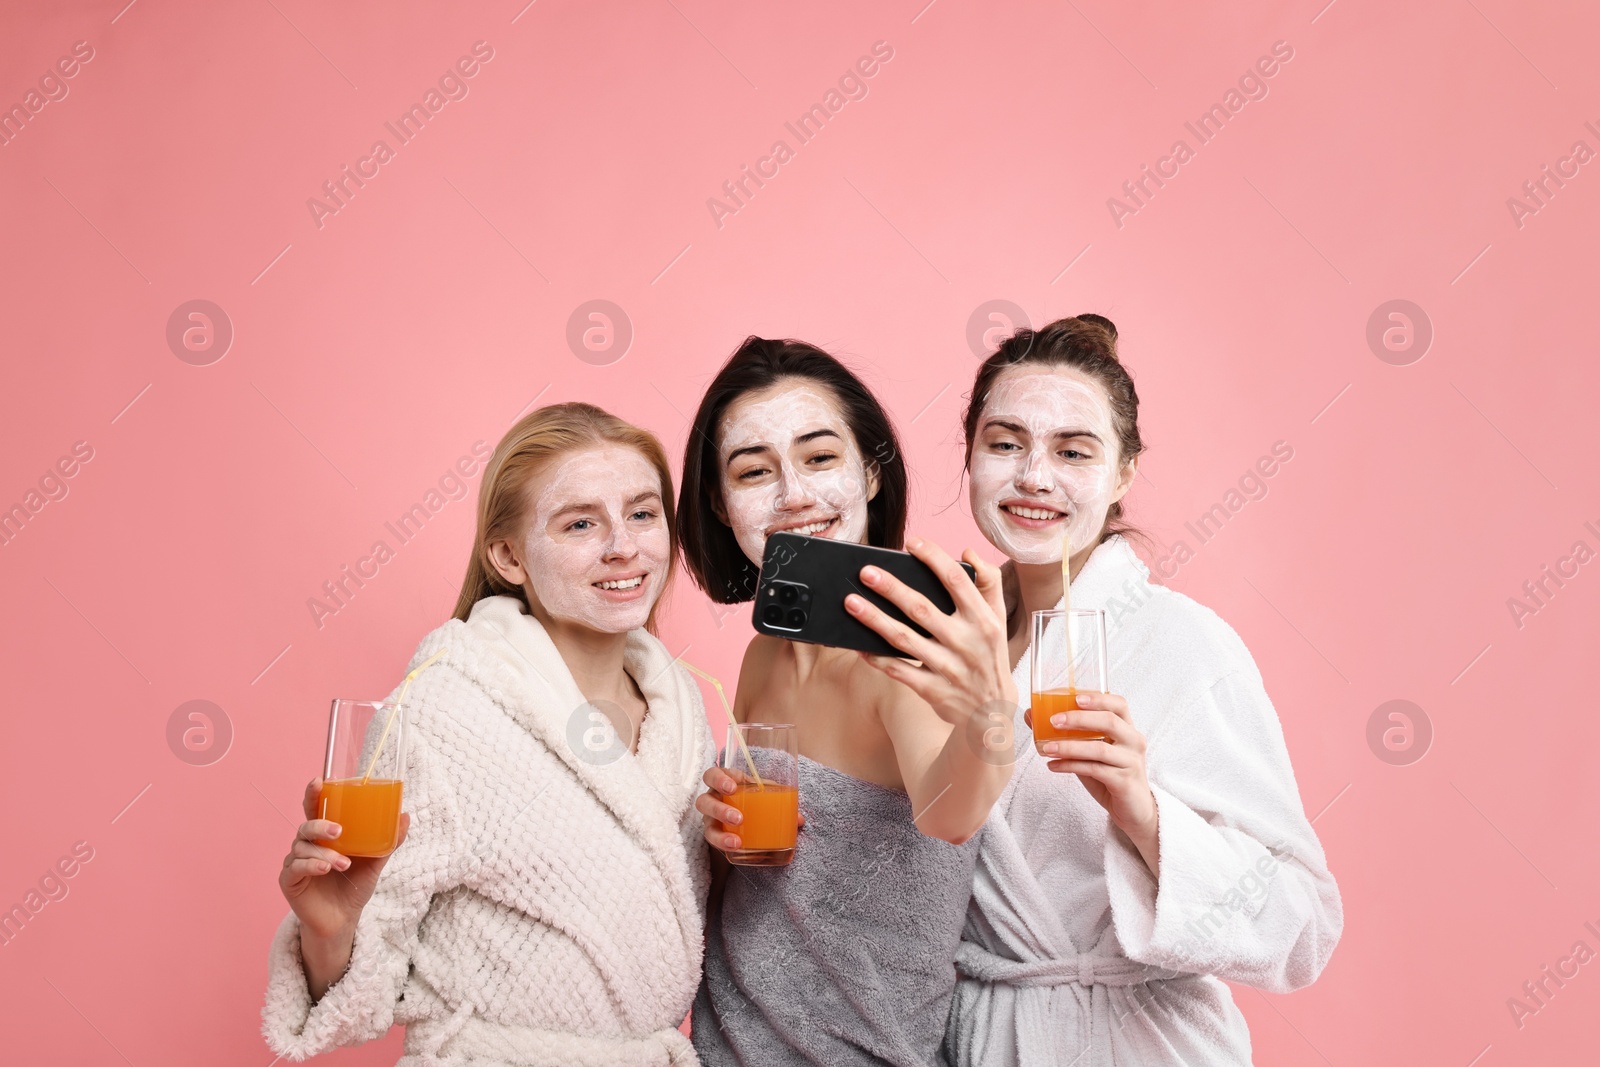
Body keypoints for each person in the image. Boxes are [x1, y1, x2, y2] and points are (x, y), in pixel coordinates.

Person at [853, 315, 1343, 1066]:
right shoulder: (947, 633)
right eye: (1005, 443)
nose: (1034, 477)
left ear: (1123, 473)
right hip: (976, 1036)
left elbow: (1302, 927)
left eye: (1073, 451)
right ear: (971, 455)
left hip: (1133, 1043)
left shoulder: (1181, 641)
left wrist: (1144, 812)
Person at [262, 402, 715, 1066]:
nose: (623, 544)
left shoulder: (680, 708)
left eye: (644, 513)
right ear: (507, 554)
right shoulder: (445, 708)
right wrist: (329, 930)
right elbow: (360, 991)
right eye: (580, 522)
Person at [680, 337, 1016, 1066]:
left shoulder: (905, 654)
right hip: (719, 1048)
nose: (792, 492)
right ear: (718, 500)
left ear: (869, 471)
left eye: (819, 456)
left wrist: (990, 708)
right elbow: (780, 884)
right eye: (753, 470)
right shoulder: (763, 651)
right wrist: (725, 832)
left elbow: (952, 814)